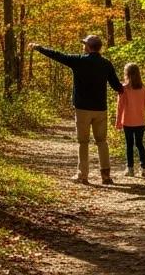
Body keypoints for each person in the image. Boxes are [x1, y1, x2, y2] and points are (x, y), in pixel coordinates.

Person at [29, 34, 124, 185]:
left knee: (83, 142)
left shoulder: (79, 60)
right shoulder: (106, 64)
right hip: (100, 109)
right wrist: (130, 85)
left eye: (84, 44)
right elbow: (117, 87)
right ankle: (106, 175)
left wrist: (39, 48)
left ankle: (83, 175)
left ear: (88, 47)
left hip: (82, 109)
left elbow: (57, 56)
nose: (83, 46)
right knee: (102, 142)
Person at [115, 62, 145, 178]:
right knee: (140, 144)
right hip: (140, 121)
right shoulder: (143, 88)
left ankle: (130, 169)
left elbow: (120, 107)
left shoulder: (124, 89)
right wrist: (140, 112)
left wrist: (118, 122)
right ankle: (144, 169)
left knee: (129, 145)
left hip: (127, 121)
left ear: (127, 74)